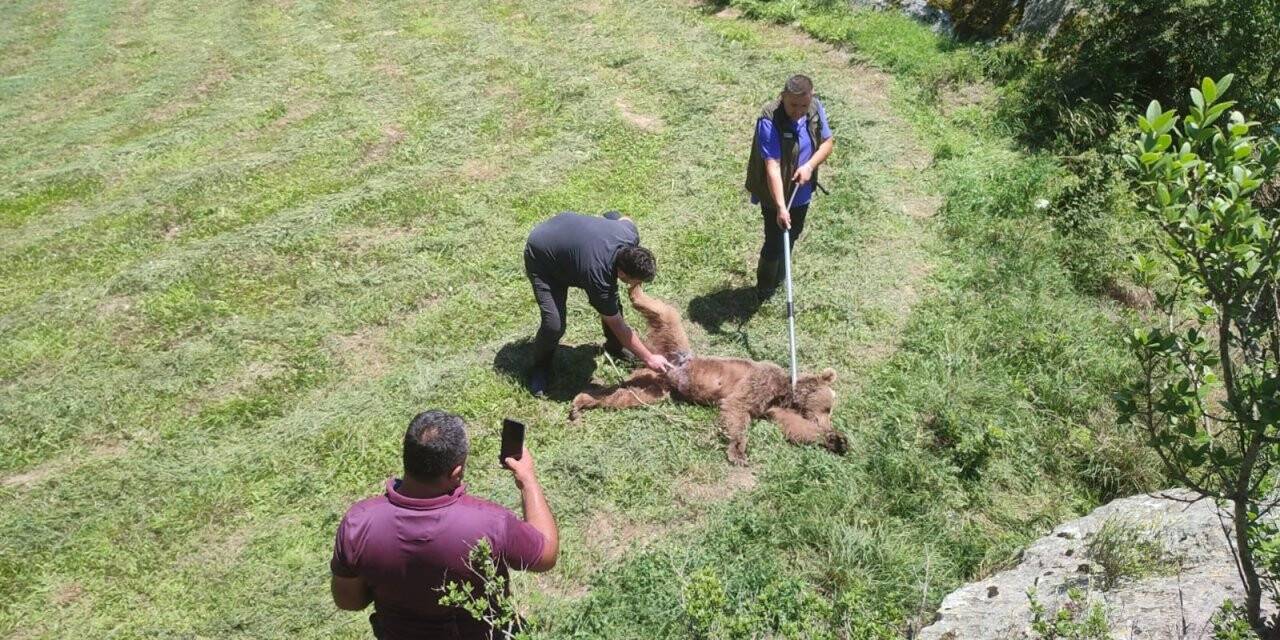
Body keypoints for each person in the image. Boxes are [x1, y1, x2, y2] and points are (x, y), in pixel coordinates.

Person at [330, 410, 558, 639]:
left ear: (407, 456)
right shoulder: (489, 522)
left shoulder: (358, 523)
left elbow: (349, 601)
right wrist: (528, 480)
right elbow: (545, 555)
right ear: (456, 472)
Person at [523, 211, 671, 396]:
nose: (637, 284)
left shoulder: (628, 234)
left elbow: (624, 218)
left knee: (611, 305)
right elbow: (617, 324)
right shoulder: (599, 275)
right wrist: (649, 358)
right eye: (636, 280)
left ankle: (615, 347)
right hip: (542, 257)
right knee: (554, 325)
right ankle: (540, 368)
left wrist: (609, 216)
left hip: (564, 230)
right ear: (622, 273)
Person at [743, 74, 835, 299]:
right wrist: (781, 208)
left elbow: (827, 143)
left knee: (793, 233)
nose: (798, 111)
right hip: (775, 193)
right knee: (774, 240)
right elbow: (772, 166)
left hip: (801, 190)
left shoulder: (815, 108)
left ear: (811, 97)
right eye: (793, 105)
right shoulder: (769, 119)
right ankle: (765, 286)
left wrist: (809, 166)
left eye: (803, 105)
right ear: (783, 96)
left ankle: (781, 277)